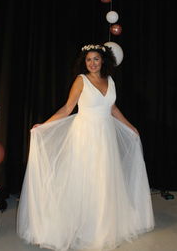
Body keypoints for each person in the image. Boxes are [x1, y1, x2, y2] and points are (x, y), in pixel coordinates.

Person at [17, 44, 154, 251]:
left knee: (104, 179)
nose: (92, 63)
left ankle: (101, 225)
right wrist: (44, 125)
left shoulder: (110, 81)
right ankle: (82, 224)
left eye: (96, 59)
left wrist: (131, 127)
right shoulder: (81, 81)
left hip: (105, 135)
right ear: (84, 62)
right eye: (89, 59)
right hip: (85, 135)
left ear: (103, 61)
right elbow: (67, 108)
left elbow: (113, 108)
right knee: (85, 178)